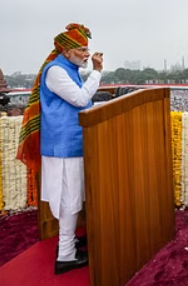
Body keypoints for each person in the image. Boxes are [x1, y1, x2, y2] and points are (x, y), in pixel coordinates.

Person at [17, 23, 103, 275]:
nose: (87, 54)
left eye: (87, 48)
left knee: (73, 195)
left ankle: (68, 244)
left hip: (71, 143)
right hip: (63, 145)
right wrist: (97, 72)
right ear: (66, 51)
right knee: (69, 198)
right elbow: (79, 99)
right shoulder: (56, 71)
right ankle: (65, 254)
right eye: (81, 49)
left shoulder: (69, 68)